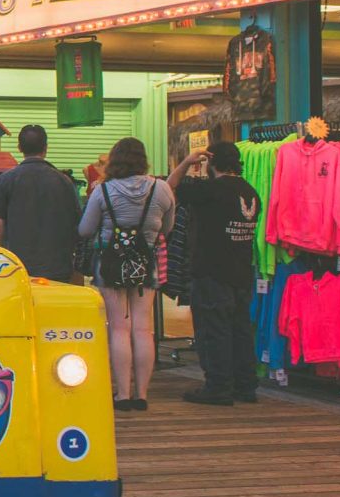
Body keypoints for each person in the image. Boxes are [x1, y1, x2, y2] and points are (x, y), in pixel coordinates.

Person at [77, 136, 175, 412]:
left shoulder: (103, 190)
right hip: (147, 262)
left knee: (119, 328)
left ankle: (122, 394)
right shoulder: (162, 188)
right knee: (143, 329)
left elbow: (85, 229)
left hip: (110, 263)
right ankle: (142, 394)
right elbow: (167, 228)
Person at [169, 143, 261, 406]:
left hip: (212, 270)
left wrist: (187, 162)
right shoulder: (251, 192)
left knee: (214, 331)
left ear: (212, 162)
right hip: (241, 271)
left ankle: (218, 386)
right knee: (240, 330)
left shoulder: (210, 190)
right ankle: (245, 385)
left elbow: (170, 187)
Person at [0, 125, 82, 284]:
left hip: (19, 265)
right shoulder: (64, 181)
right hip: (58, 265)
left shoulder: (6, 180)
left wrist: (7, 248)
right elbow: (77, 223)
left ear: (19, 148)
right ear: (45, 148)